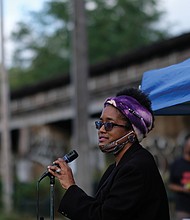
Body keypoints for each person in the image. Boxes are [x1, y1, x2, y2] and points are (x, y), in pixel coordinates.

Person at [48, 87, 170, 220]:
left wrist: (71, 186)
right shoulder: (115, 168)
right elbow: (100, 208)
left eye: (109, 125)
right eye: (100, 123)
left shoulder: (137, 167)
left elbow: (104, 217)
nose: (101, 130)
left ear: (132, 131)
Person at [169, 134, 190, 220]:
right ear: (185, 147)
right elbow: (171, 185)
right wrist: (184, 189)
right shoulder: (177, 164)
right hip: (183, 209)